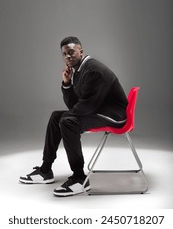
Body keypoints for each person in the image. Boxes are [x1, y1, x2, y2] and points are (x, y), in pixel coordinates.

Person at [19, 36, 128, 197]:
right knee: (57, 116)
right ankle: (45, 170)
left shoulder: (93, 70)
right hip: (98, 109)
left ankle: (79, 178)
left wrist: (66, 119)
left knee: (67, 122)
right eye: (64, 54)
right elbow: (75, 105)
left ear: (81, 52)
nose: (67, 57)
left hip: (114, 115)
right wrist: (67, 83)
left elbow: (86, 106)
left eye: (71, 52)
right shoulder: (78, 70)